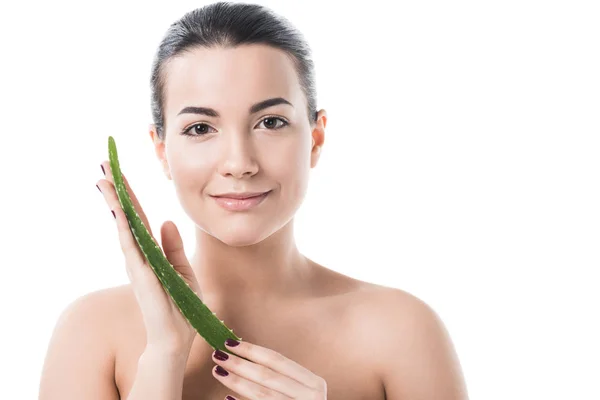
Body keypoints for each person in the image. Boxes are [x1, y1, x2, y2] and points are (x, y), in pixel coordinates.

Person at [38, 2, 468, 399]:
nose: (239, 163)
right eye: (200, 129)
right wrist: (163, 357)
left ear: (315, 139)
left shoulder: (403, 332)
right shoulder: (91, 332)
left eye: (271, 121)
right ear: (161, 150)